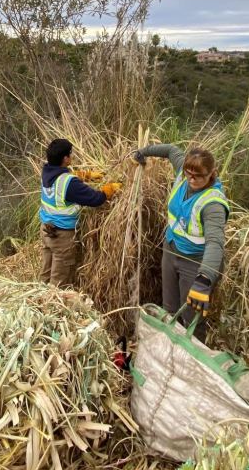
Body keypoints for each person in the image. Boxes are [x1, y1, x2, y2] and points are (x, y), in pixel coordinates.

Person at [133, 144, 229, 341]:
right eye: (188, 174)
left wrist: (204, 279)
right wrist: (144, 151)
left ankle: (193, 355)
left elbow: (215, 243)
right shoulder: (183, 174)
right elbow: (171, 151)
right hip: (171, 250)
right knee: (169, 309)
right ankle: (168, 349)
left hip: (194, 262)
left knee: (191, 319)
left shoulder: (213, 204)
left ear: (211, 173)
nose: (191, 179)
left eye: (198, 176)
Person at [39, 138, 121, 286]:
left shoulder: (46, 172)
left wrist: (84, 175)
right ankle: (53, 300)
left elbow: (61, 179)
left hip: (46, 230)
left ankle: (38, 297)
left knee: (46, 274)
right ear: (65, 159)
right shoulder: (69, 183)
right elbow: (95, 199)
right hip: (61, 235)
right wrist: (108, 190)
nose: (72, 156)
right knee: (59, 282)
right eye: (70, 154)